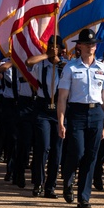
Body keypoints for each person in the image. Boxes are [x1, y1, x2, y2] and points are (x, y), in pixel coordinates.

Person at [56, 28, 104, 208]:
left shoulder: (103, 68)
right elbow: (63, 97)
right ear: (79, 46)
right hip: (77, 113)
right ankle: (68, 178)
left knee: (91, 156)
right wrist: (61, 121)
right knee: (77, 152)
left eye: (93, 44)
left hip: (96, 113)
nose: (90, 47)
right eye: (87, 44)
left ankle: (84, 196)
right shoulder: (71, 67)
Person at [27, 36, 66, 198]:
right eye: (51, 46)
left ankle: (51, 185)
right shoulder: (41, 63)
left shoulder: (66, 66)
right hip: (42, 108)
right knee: (42, 146)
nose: (54, 49)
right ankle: (38, 183)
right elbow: (29, 62)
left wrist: (58, 60)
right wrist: (47, 55)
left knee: (56, 150)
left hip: (59, 108)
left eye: (56, 47)